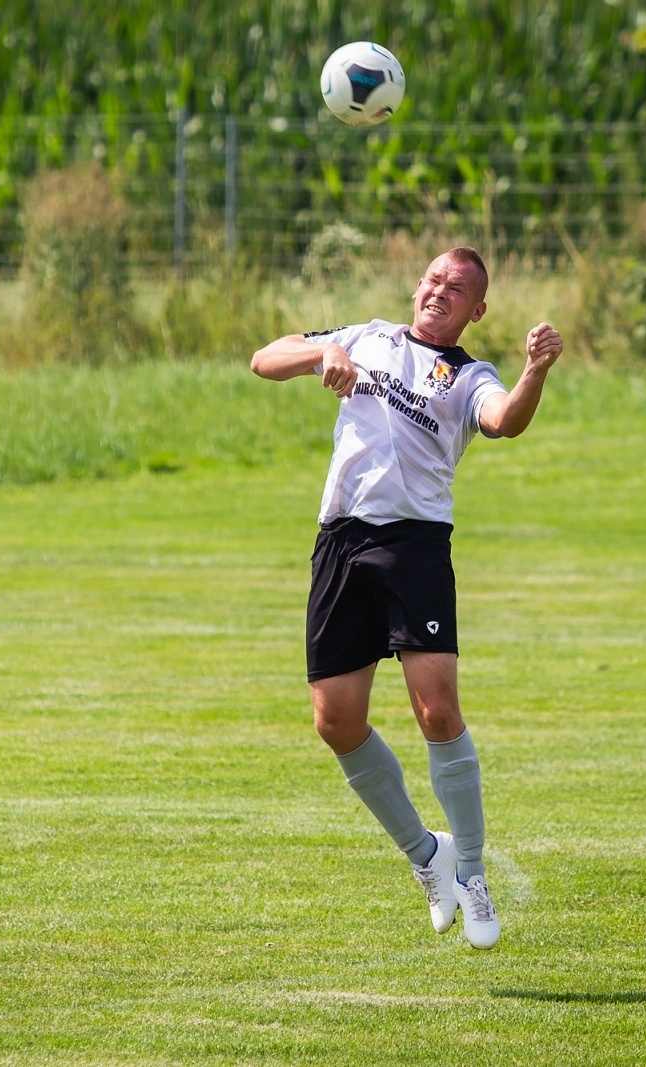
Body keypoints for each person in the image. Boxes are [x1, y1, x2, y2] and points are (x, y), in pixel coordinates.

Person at [250, 247, 562, 949]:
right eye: (434, 279)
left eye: (458, 289)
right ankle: (428, 855)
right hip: (341, 542)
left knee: (437, 708)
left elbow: (504, 419)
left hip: (415, 547)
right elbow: (264, 359)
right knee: (336, 721)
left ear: (476, 311)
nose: (440, 291)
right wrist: (323, 355)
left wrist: (535, 371)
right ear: (418, 285)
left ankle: (473, 872)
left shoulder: (471, 376)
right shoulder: (366, 336)